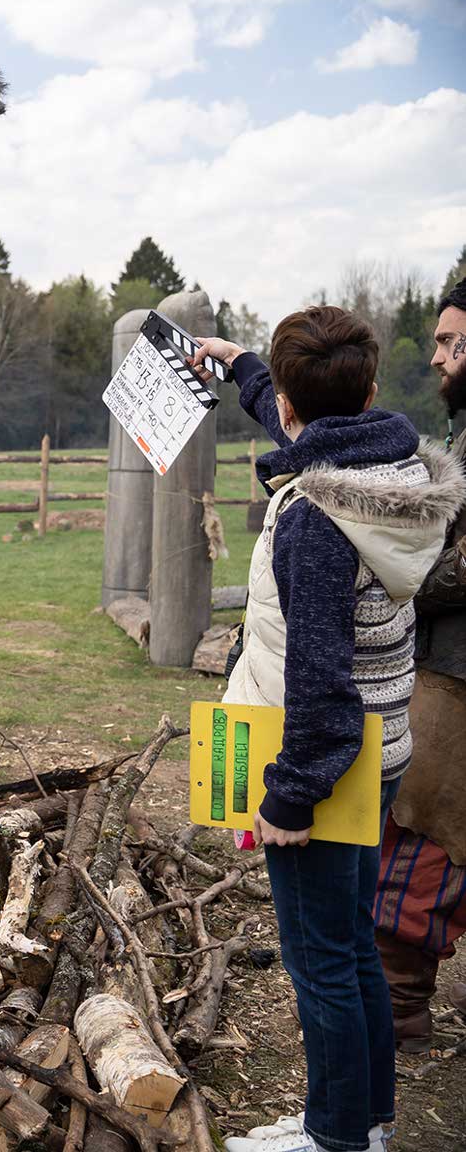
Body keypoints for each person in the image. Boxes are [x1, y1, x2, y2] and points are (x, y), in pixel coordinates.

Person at [188, 307, 463, 1152]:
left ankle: (335, 1136)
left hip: (324, 759)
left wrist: (290, 797)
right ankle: (369, 1120)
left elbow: (317, 680)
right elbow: (297, 419)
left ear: (297, 405)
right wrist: (239, 363)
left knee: (321, 963)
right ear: (373, 389)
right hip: (381, 746)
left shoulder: (314, 519)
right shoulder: (394, 465)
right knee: (349, 940)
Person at [372, 278, 466, 1050]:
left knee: (423, 825)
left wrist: (398, 583)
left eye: (449, 340)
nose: (437, 353)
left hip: (460, 673)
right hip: (446, 657)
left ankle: (400, 1006)